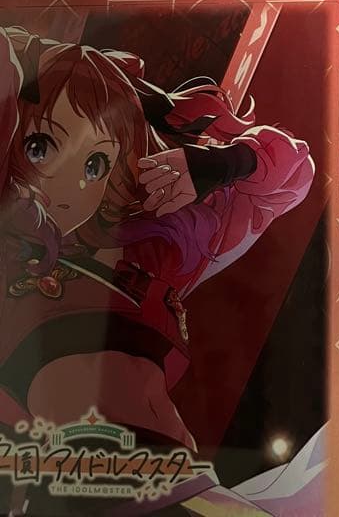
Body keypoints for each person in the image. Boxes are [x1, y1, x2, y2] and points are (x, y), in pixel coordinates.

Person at [0, 26, 314, 448]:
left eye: (95, 165)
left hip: (145, 461)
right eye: (39, 147)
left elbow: (294, 172)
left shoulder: (156, 249)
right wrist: (76, 67)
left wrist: (216, 164)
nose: (68, 187)